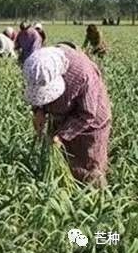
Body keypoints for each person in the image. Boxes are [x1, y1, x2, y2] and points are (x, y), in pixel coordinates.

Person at [23, 47, 111, 187]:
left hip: (89, 122)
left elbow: (87, 114)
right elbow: (37, 89)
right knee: (62, 159)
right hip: (60, 115)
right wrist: (38, 111)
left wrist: (61, 136)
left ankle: (96, 199)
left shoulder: (82, 73)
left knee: (89, 165)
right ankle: (66, 189)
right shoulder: (40, 64)